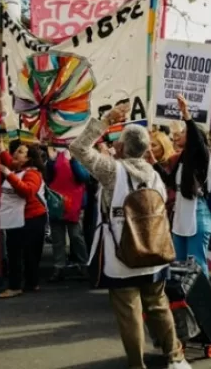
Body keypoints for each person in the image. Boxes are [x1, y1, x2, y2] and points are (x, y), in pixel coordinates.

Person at [70, 100, 190, 369]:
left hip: (120, 255)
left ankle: (137, 365)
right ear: (147, 149)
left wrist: (106, 120)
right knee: (158, 306)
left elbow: (78, 148)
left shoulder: (112, 170)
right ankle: (175, 358)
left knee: (130, 313)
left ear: (121, 147)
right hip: (155, 251)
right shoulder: (154, 172)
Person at [168, 95, 211, 277]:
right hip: (180, 214)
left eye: (185, 132)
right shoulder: (181, 159)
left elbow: (195, 139)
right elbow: (170, 181)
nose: (181, 134)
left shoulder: (202, 156)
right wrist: (153, 161)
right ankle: (181, 302)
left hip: (198, 213)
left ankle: (201, 302)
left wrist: (186, 114)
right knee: (179, 265)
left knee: (195, 265)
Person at [0, 140, 48, 298]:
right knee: (25, 253)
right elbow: (9, 163)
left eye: (20, 152)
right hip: (19, 218)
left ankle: (15, 286)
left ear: (28, 159)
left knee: (19, 253)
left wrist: (8, 174)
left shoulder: (32, 173)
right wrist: (2, 150)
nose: (15, 154)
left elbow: (27, 191)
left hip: (29, 219)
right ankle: (31, 283)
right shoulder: (18, 169)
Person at [45, 146, 90, 282]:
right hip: (57, 203)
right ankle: (59, 267)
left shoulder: (80, 155)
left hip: (74, 204)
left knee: (76, 236)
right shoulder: (54, 156)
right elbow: (48, 178)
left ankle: (83, 264)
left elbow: (84, 177)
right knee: (58, 238)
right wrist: (51, 161)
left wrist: (74, 160)